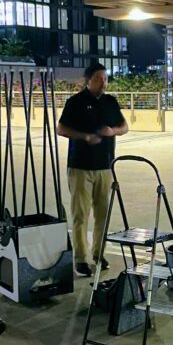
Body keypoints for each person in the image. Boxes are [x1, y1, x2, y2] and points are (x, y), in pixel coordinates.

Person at [57, 63, 128, 277]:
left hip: (105, 167)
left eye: (105, 78)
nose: (103, 82)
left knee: (102, 214)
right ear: (88, 81)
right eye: (99, 79)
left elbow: (124, 127)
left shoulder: (110, 102)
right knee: (81, 215)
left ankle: (98, 253)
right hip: (80, 167)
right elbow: (61, 128)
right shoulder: (76, 102)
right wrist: (84, 136)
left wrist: (112, 130)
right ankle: (80, 258)